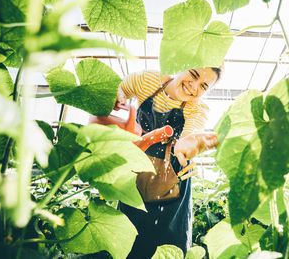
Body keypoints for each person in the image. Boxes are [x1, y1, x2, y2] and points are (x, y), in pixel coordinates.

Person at [93, 67, 221, 258]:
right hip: (136, 173)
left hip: (173, 180)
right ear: (180, 65)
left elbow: (189, 135)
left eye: (203, 86)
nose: (193, 88)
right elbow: (118, 94)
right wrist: (114, 103)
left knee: (170, 245)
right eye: (193, 75)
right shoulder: (146, 80)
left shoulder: (198, 109)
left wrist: (184, 147)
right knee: (129, 238)